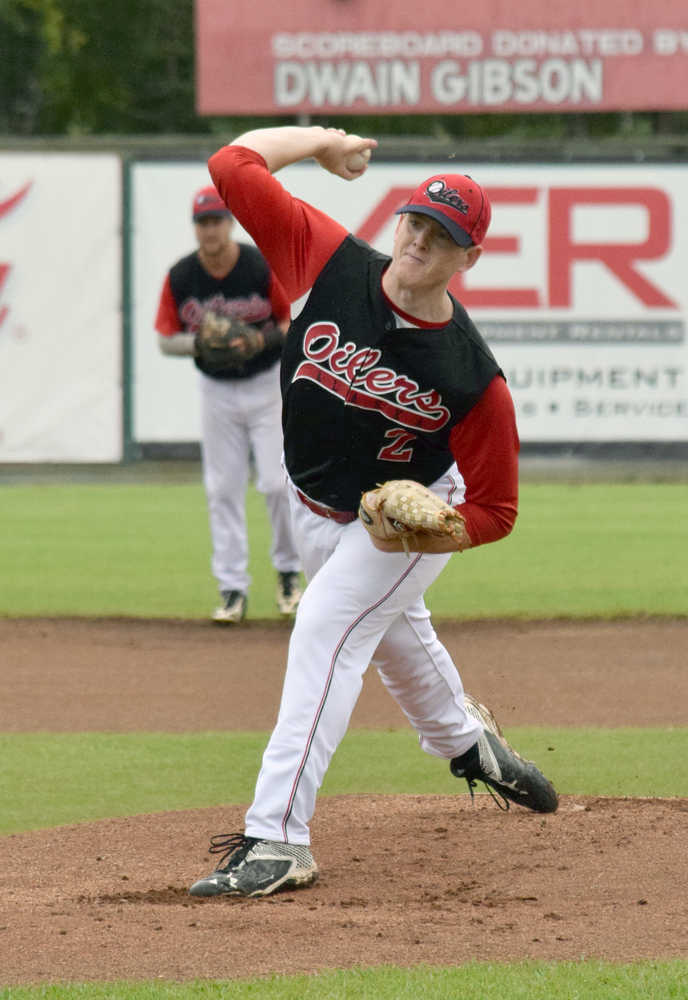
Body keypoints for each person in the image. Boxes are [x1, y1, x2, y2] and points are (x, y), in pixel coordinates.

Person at [188, 127, 558, 898]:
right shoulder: (327, 260)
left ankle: (278, 836)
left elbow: (499, 507)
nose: (421, 239)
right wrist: (321, 141)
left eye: (444, 235)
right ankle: (467, 742)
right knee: (393, 636)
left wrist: (438, 530)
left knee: (326, 625)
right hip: (316, 504)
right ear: (400, 219)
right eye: (416, 221)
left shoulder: (472, 377)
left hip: (407, 526)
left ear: (469, 258)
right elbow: (233, 164)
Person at [155, 184, 302, 624]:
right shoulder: (182, 276)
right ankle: (233, 589)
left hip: (265, 386)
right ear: (195, 228)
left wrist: (260, 339)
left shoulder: (257, 265)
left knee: (278, 485)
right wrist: (200, 343)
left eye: (216, 220)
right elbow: (166, 341)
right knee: (222, 489)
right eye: (203, 222)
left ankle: (289, 577)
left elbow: (290, 320)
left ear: (230, 223)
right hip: (217, 391)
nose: (210, 230)